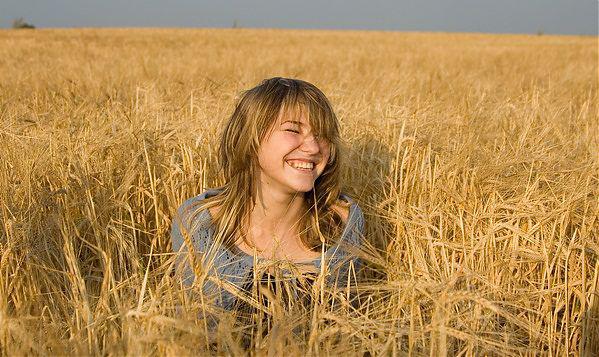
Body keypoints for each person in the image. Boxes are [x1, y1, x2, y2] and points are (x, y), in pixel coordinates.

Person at [170, 77, 365, 313]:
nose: (314, 148)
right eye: (293, 130)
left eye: (322, 135)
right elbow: (199, 328)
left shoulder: (342, 224)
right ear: (249, 138)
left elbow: (340, 326)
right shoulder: (200, 223)